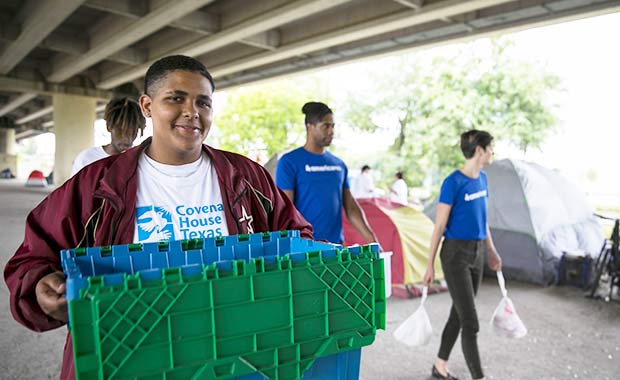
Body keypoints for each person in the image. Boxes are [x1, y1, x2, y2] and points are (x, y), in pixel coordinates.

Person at [4, 55, 312, 380]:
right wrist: (40, 285)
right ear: (147, 106)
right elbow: (32, 258)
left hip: (234, 360)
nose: (192, 111)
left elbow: (298, 237)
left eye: (203, 102)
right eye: (176, 98)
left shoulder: (248, 177)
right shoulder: (94, 186)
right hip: (125, 359)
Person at [423, 130, 502, 380]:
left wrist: (491, 249)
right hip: (455, 254)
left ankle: (439, 365)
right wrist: (429, 265)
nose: (492, 152)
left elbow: (483, 219)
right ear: (479, 150)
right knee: (471, 322)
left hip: (477, 251)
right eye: (490, 147)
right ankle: (479, 376)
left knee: (459, 313)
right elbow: (439, 226)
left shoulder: (483, 180)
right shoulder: (452, 182)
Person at [275, 101, 377, 245]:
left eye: (333, 126)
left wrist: (372, 240)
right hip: (304, 250)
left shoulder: (339, 165)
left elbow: (351, 207)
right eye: (326, 126)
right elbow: (285, 211)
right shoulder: (289, 162)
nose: (331, 131)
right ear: (309, 126)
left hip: (335, 248)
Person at [71, 97, 146, 175]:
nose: (127, 138)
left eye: (133, 131)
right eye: (120, 130)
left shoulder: (141, 161)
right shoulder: (87, 159)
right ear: (109, 127)